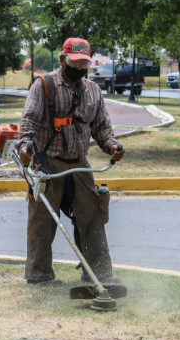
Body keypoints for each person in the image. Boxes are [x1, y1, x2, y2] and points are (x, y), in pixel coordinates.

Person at [17, 38, 126, 286]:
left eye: (83, 64)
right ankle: (39, 276)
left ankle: (99, 274)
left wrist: (112, 146)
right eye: (74, 63)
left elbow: (102, 128)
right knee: (42, 219)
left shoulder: (93, 91)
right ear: (62, 59)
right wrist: (25, 147)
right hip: (47, 163)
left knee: (92, 216)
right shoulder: (43, 86)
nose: (78, 68)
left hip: (79, 163)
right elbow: (29, 122)